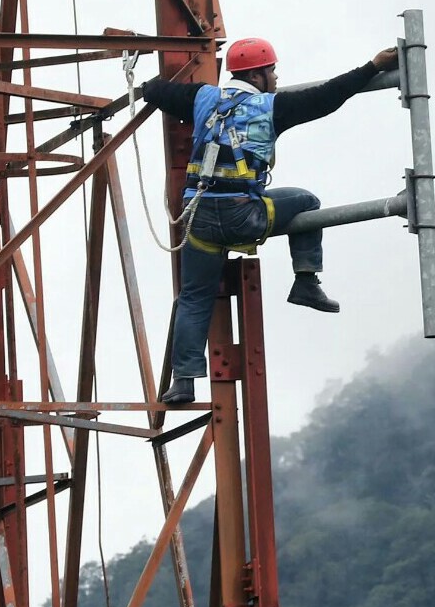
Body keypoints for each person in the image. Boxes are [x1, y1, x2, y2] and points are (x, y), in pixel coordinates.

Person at [141, 37, 399, 404]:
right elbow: (329, 96)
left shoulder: (201, 98)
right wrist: (372, 66)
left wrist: (144, 83)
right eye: (272, 71)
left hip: (197, 220)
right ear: (258, 75)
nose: (276, 78)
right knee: (307, 201)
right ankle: (305, 281)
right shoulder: (270, 107)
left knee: (194, 297)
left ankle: (183, 380)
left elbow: (158, 92)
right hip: (242, 215)